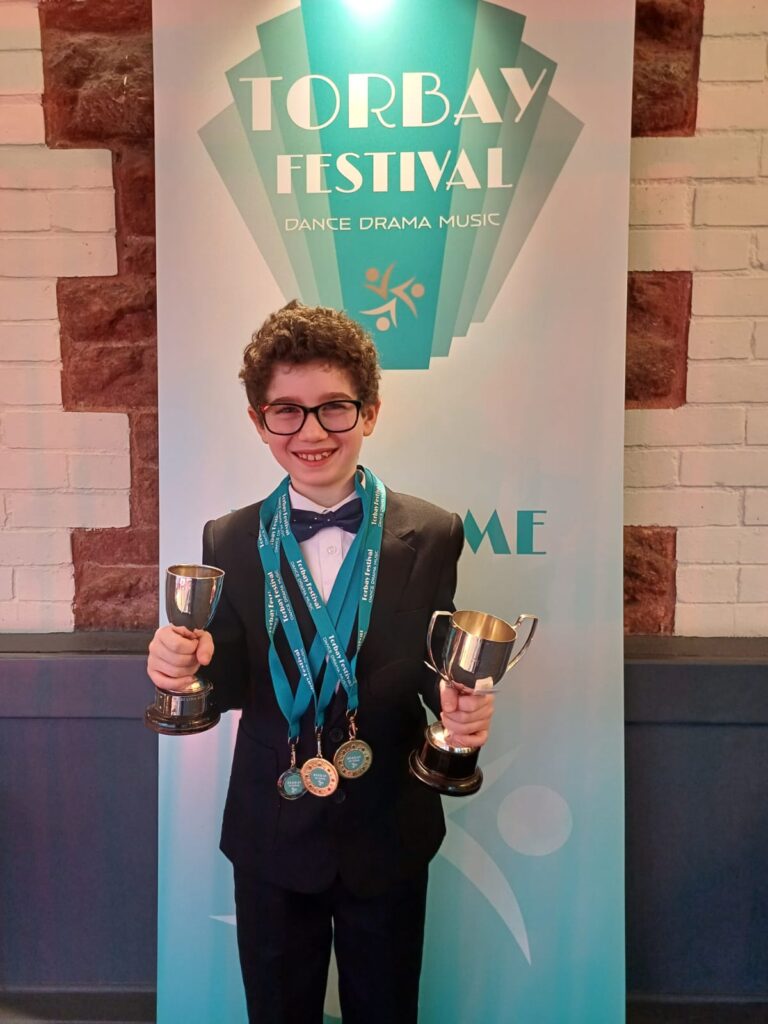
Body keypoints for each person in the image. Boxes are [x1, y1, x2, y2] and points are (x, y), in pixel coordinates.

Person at [147, 301, 495, 1024]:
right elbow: (230, 679)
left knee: (386, 1009)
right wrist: (186, 669)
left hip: (389, 824)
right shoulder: (229, 538)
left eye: (334, 407)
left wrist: (459, 706)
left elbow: (432, 670)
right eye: (287, 411)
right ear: (259, 422)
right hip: (271, 825)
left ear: (370, 413)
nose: (311, 432)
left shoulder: (433, 533)